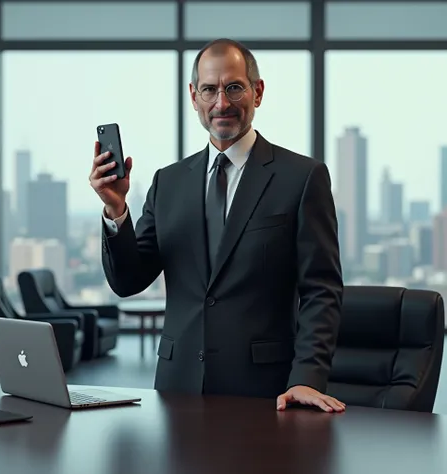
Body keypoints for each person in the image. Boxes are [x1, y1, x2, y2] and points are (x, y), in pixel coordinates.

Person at [90, 38, 345, 413]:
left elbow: (321, 291)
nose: (221, 103)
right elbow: (128, 281)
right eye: (209, 90)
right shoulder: (168, 183)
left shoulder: (302, 178)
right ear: (194, 97)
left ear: (257, 93)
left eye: (234, 88)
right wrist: (115, 210)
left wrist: (306, 377)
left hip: (266, 393)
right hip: (176, 392)